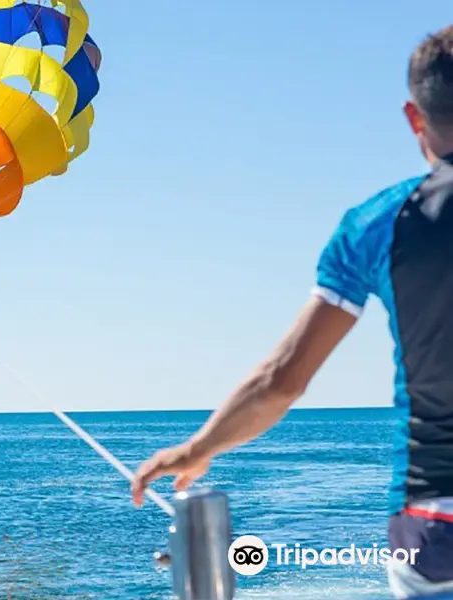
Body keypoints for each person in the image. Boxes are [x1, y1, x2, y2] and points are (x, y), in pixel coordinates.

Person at [130, 26, 453, 600]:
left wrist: (197, 448)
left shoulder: (377, 224)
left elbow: (283, 378)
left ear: (413, 116)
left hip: (434, 530)